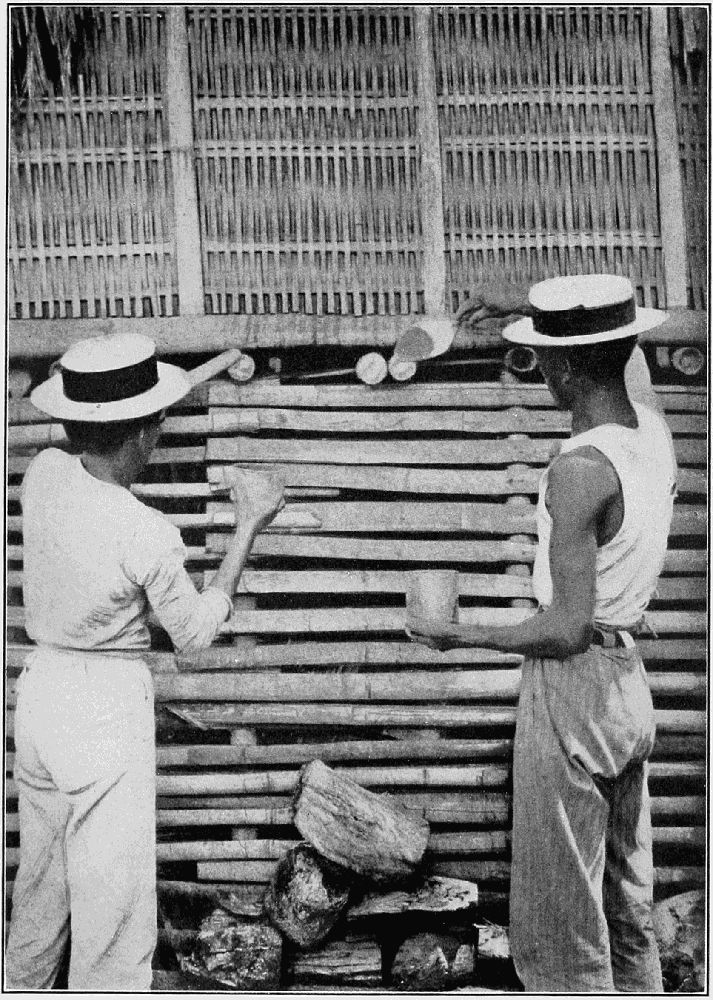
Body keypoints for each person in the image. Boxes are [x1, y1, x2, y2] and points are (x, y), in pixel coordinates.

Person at [407, 274, 676, 992]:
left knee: (561, 921)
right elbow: (621, 352)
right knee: (624, 899)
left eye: (545, 357)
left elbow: (564, 629)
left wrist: (457, 634)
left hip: (575, 690)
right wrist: (526, 309)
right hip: (628, 688)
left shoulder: (579, 471)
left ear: (561, 368)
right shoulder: (650, 431)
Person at [5, 333, 285, 991]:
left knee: (42, 881)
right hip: (102, 710)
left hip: (41, 693)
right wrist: (248, 523)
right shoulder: (144, 532)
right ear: (143, 435)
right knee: (114, 908)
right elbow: (194, 633)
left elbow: (98, 451)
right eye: (154, 425)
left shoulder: (44, 474)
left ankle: (19, 987)